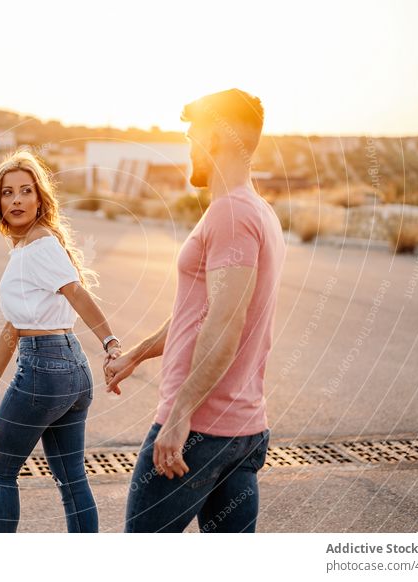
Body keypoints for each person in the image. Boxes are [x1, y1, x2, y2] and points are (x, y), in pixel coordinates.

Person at [105, 89, 286, 533]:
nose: (188, 147)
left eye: (192, 136)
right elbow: (199, 311)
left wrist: (181, 414)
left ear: (217, 139)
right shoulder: (257, 212)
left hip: (201, 428)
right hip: (242, 431)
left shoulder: (231, 215)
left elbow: (226, 322)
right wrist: (137, 355)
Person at [0, 149, 123, 533]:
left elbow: (76, 292)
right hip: (71, 369)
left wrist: (110, 342)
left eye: (26, 191)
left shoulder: (40, 245)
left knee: (1, 471)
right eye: (8, 193)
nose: (17, 200)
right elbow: (13, 328)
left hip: (46, 369)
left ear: (40, 198)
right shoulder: (27, 248)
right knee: (71, 479)